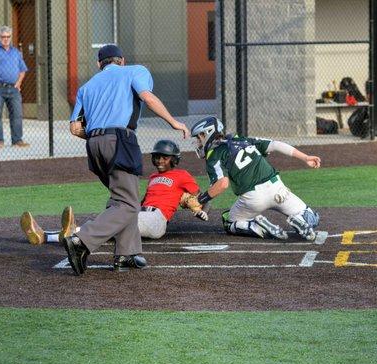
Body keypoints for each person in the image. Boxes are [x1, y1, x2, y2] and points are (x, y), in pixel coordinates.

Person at [65, 44, 189, 276]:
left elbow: (75, 128)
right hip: (120, 140)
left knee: (121, 198)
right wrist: (174, 122)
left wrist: (97, 137)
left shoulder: (87, 86)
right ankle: (81, 240)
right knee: (129, 204)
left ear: (98, 64)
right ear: (121, 60)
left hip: (93, 143)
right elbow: (147, 97)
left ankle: (126, 254)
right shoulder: (135, 70)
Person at [20, 140, 208, 245]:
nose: (160, 160)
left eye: (165, 158)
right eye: (157, 157)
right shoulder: (152, 178)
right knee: (106, 227)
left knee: (111, 222)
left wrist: (194, 206)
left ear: (174, 160)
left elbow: (196, 197)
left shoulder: (182, 174)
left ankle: (72, 231)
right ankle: (45, 236)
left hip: (157, 220)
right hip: (141, 213)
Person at [190, 116, 321, 241]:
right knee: (312, 218)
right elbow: (275, 145)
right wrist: (305, 157)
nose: (198, 142)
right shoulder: (242, 140)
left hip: (253, 198)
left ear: (206, 134)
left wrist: (200, 199)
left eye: (199, 138)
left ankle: (256, 226)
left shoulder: (213, 156)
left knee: (229, 221)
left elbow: (222, 184)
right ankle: (300, 220)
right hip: (278, 189)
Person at [0, 26, 29, 148]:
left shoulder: (16, 52)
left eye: (8, 37)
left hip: (14, 89)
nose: (5, 39)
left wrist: (19, 83)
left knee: (17, 114)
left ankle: (17, 140)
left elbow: (22, 70)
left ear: (10, 37)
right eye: (3, 37)